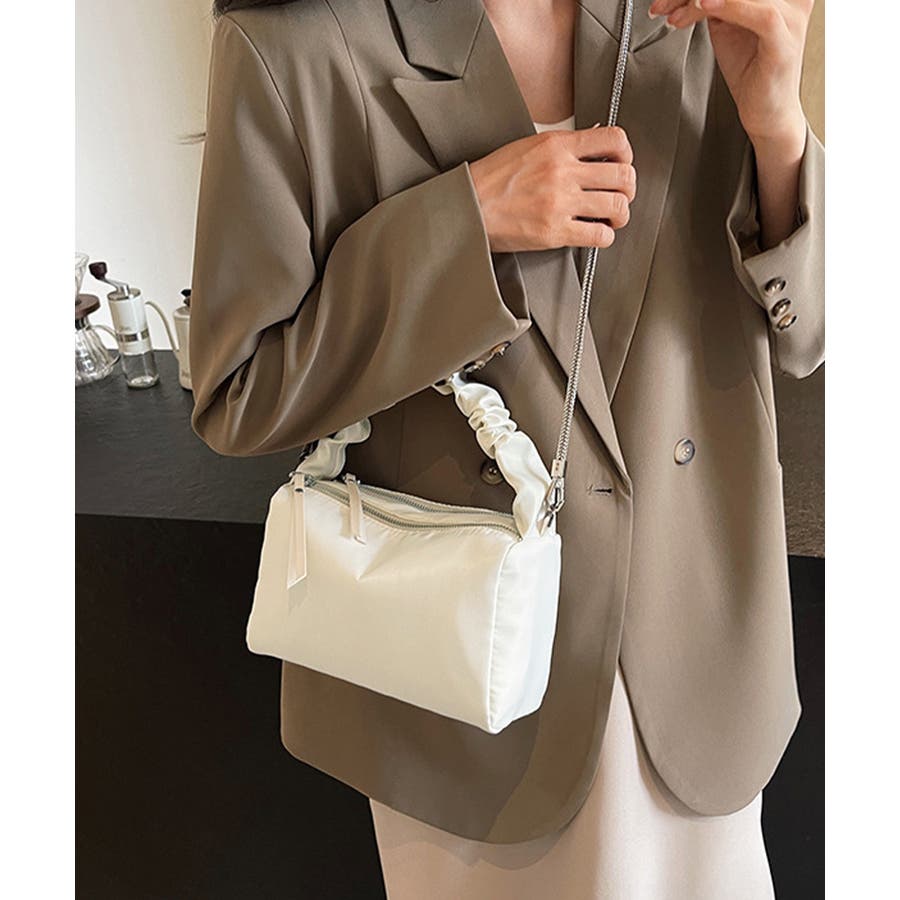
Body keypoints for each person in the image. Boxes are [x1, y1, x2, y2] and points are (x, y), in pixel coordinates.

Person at [190, 0, 823, 896]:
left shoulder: (685, 15)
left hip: (696, 647)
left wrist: (778, 128)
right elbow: (240, 388)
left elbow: (813, 334)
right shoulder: (293, 44)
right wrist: (464, 224)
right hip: (472, 692)